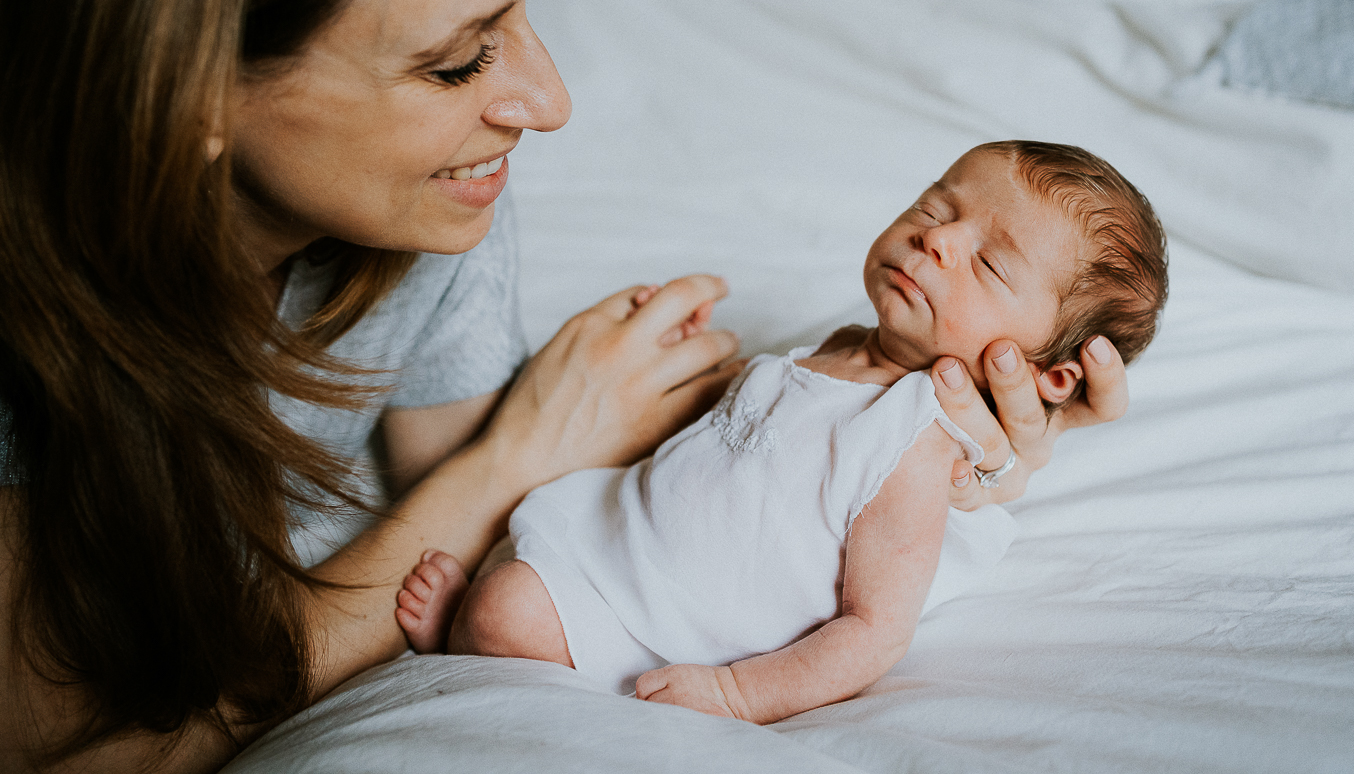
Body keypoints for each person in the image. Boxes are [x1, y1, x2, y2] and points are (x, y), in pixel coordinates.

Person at [0, 0, 1131, 771]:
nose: (546, 105)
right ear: (182, 86)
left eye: (531, 0)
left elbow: (501, 538)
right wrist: (522, 449)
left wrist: (969, 464)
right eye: (456, 61)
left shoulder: (436, 210)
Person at [395, 142, 1167, 722]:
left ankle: (470, 638)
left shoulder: (915, 445)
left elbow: (873, 628)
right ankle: (482, 620)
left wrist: (736, 693)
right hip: (625, 531)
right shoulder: (838, 344)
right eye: (935, 207)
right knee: (518, 550)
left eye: (991, 265)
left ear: (1049, 375)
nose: (936, 240)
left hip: (668, 615)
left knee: (506, 613)